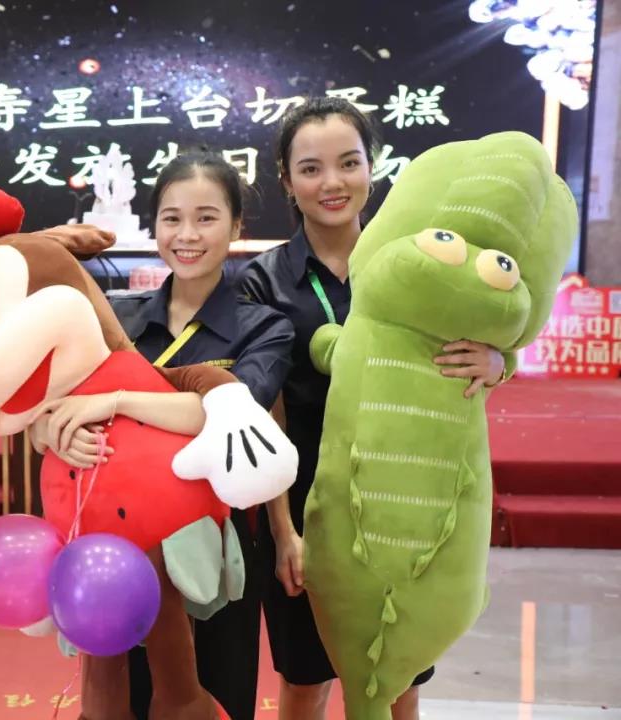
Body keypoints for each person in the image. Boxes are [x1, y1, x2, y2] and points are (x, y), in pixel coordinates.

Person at [239, 96, 507, 720]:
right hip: (306, 502)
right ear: (287, 181)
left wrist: (499, 362)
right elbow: (266, 414)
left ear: (372, 166)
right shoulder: (262, 281)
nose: (332, 182)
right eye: (311, 168)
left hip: (404, 501)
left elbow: (491, 320)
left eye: (348, 162)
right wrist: (283, 532)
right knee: (306, 681)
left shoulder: (421, 263)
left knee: (399, 679)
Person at [31, 151, 294, 720]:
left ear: (236, 226)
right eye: (172, 219)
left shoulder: (264, 326)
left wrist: (117, 400)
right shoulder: (116, 320)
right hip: (115, 550)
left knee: (212, 694)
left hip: (216, 551)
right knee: (119, 697)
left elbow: (233, 412)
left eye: (206, 217)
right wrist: (54, 431)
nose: (187, 235)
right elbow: (43, 413)